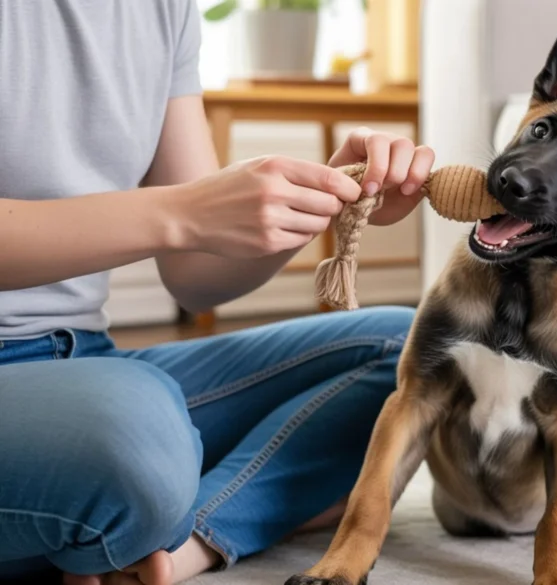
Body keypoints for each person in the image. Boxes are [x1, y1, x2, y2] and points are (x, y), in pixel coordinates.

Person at [0, 2, 435, 584]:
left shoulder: (165, 9)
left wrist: (318, 202)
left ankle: (184, 542)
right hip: (80, 390)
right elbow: (182, 217)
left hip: (87, 361)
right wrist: (181, 210)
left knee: (411, 354)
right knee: (134, 442)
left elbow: (194, 276)